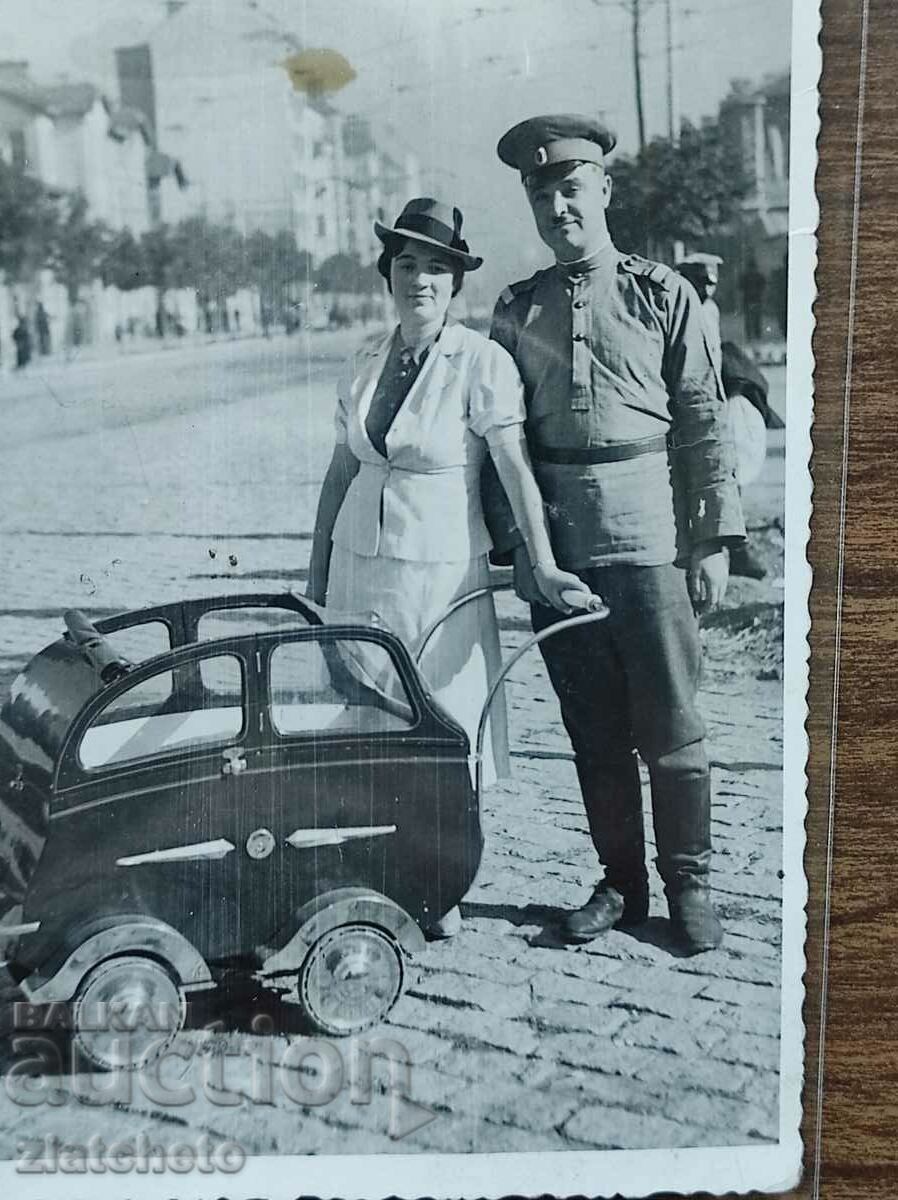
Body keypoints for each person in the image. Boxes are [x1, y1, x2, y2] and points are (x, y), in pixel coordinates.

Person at [483, 116, 746, 955]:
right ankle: (621, 885)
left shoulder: (662, 293)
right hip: (563, 557)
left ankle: (691, 884)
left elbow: (704, 425)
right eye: (541, 194)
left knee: (671, 727)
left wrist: (712, 541)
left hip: (651, 542)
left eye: (571, 189)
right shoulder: (516, 308)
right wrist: (524, 555)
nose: (558, 207)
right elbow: (498, 448)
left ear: (604, 191)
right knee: (593, 734)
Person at [307, 197, 589, 934]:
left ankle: (440, 882)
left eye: (437, 268)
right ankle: (373, 871)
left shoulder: (481, 362)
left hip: (437, 577)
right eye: (408, 266)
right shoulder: (367, 357)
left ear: (456, 283)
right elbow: (339, 477)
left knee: (439, 728)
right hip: (356, 572)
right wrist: (313, 584)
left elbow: (516, 471)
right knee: (362, 717)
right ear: (387, 275)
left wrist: (546, 564)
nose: (421, 281)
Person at [677, 253, 723, 371]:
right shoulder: (679, 308)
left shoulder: (711, 308)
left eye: (710, 285)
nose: (706, 291)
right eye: (700, 283)